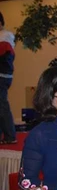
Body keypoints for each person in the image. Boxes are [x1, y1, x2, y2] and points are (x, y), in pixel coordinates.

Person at [0, 11, 16, 144]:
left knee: (2, 105)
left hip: (2, 75)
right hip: (4, 75)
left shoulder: (5, 37)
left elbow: (5, 57)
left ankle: (10, 135)